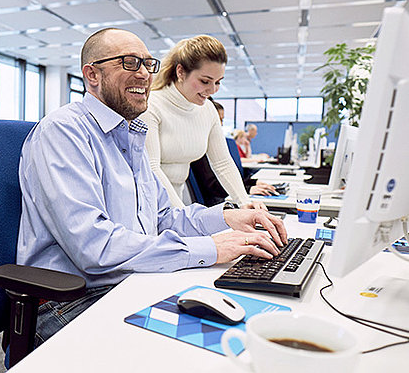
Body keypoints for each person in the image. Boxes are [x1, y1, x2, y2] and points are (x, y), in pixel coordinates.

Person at [17, 28, 287, 346]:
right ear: (92, 74)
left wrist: (227, 218)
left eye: (148, 63)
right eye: (130, 63)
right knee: (199, 351)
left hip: (128, 280)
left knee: (249, 332)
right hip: (69, 300)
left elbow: (164, 218)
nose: (144, 74)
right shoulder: (63, 133)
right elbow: (96, 248)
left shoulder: (131, 135)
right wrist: (212, 248)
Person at [139, 35, 263, 209]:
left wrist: (244, 203)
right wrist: (183, 218)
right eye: (205, 81)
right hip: (147, 204)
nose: (212, 90)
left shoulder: (207, 110)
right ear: (180, 72)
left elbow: (222, 163)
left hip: (178, 203)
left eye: (218, 82)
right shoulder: (150, 105)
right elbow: (151, 169)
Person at [190, 103, 278, 207]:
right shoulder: (199, 149)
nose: (221, 125)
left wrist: (254, 182)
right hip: (216, 203)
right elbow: (213, 186)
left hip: (225, 198)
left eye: (222, 120)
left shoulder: (215, 145)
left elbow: (230, 176)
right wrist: (248, 189)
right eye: (219, 120)